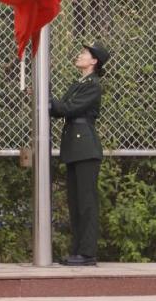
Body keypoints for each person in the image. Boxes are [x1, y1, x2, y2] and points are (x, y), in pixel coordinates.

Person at [50, 42, 109, 267]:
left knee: (86, 202)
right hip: (75, 148)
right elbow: (60, 108)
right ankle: (77, 251)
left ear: (94, 61)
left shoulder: (93, 85)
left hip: (85, 148)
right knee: (75, 203)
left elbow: (67, 108)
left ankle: (87, 253)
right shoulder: (79, 84)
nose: (80, 55)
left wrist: (47, 99)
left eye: (85, 53)